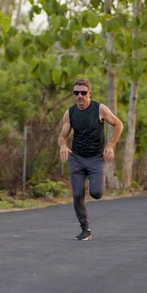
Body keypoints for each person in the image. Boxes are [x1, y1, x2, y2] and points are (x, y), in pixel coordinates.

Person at [58, 78, 124, 241]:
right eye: (76, 93)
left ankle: (93, 182)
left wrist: (110, 145)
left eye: (83, 93)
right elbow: (62, 136)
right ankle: (85, 230)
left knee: (96, 193)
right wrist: (62, 146)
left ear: (89, 94)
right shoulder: (70, 113)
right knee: (77, 193)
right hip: (77, 158)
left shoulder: (99, 109)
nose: (79, 96)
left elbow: (118, 124)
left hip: (95, 158)